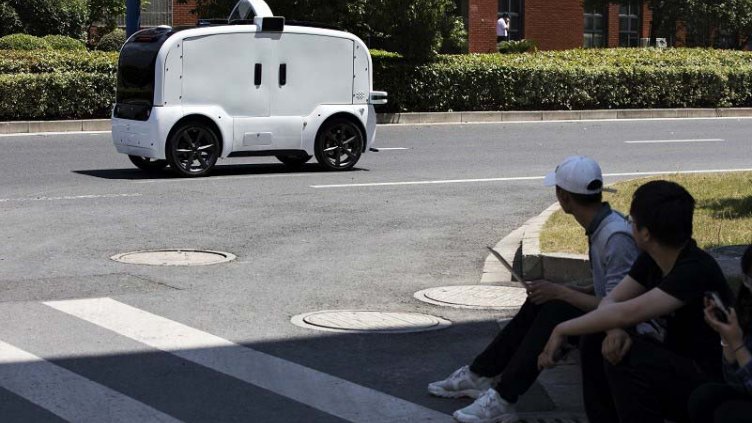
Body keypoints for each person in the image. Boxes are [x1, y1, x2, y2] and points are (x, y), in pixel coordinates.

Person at [428, 156, 640, 423]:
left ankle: (503, 397)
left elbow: (618, 308)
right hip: (615, 318)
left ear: (563, 198)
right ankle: (480, 373)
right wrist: (568, 288)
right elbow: (611, 288)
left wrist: (561, 292)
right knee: (543, 300)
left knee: (555, 308)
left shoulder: (614, 237)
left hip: (631, 330)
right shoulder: (603, 228)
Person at [538, 180, 734, 423]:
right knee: (599, 338)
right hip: (674, 362)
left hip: (709, 381)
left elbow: (627, 312)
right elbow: (612, 302)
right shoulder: (653, 258)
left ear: (645, 233)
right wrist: (614, 330)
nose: (628, 227)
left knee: (629, 358)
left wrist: (561, 329)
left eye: (631, 222)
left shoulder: (694, 270)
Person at [689, 244, 752, 422]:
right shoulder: (747, 311)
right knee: (704, 397)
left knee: (731, 414)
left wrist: (738, 345)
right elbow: (735, 382)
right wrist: (727, 338)